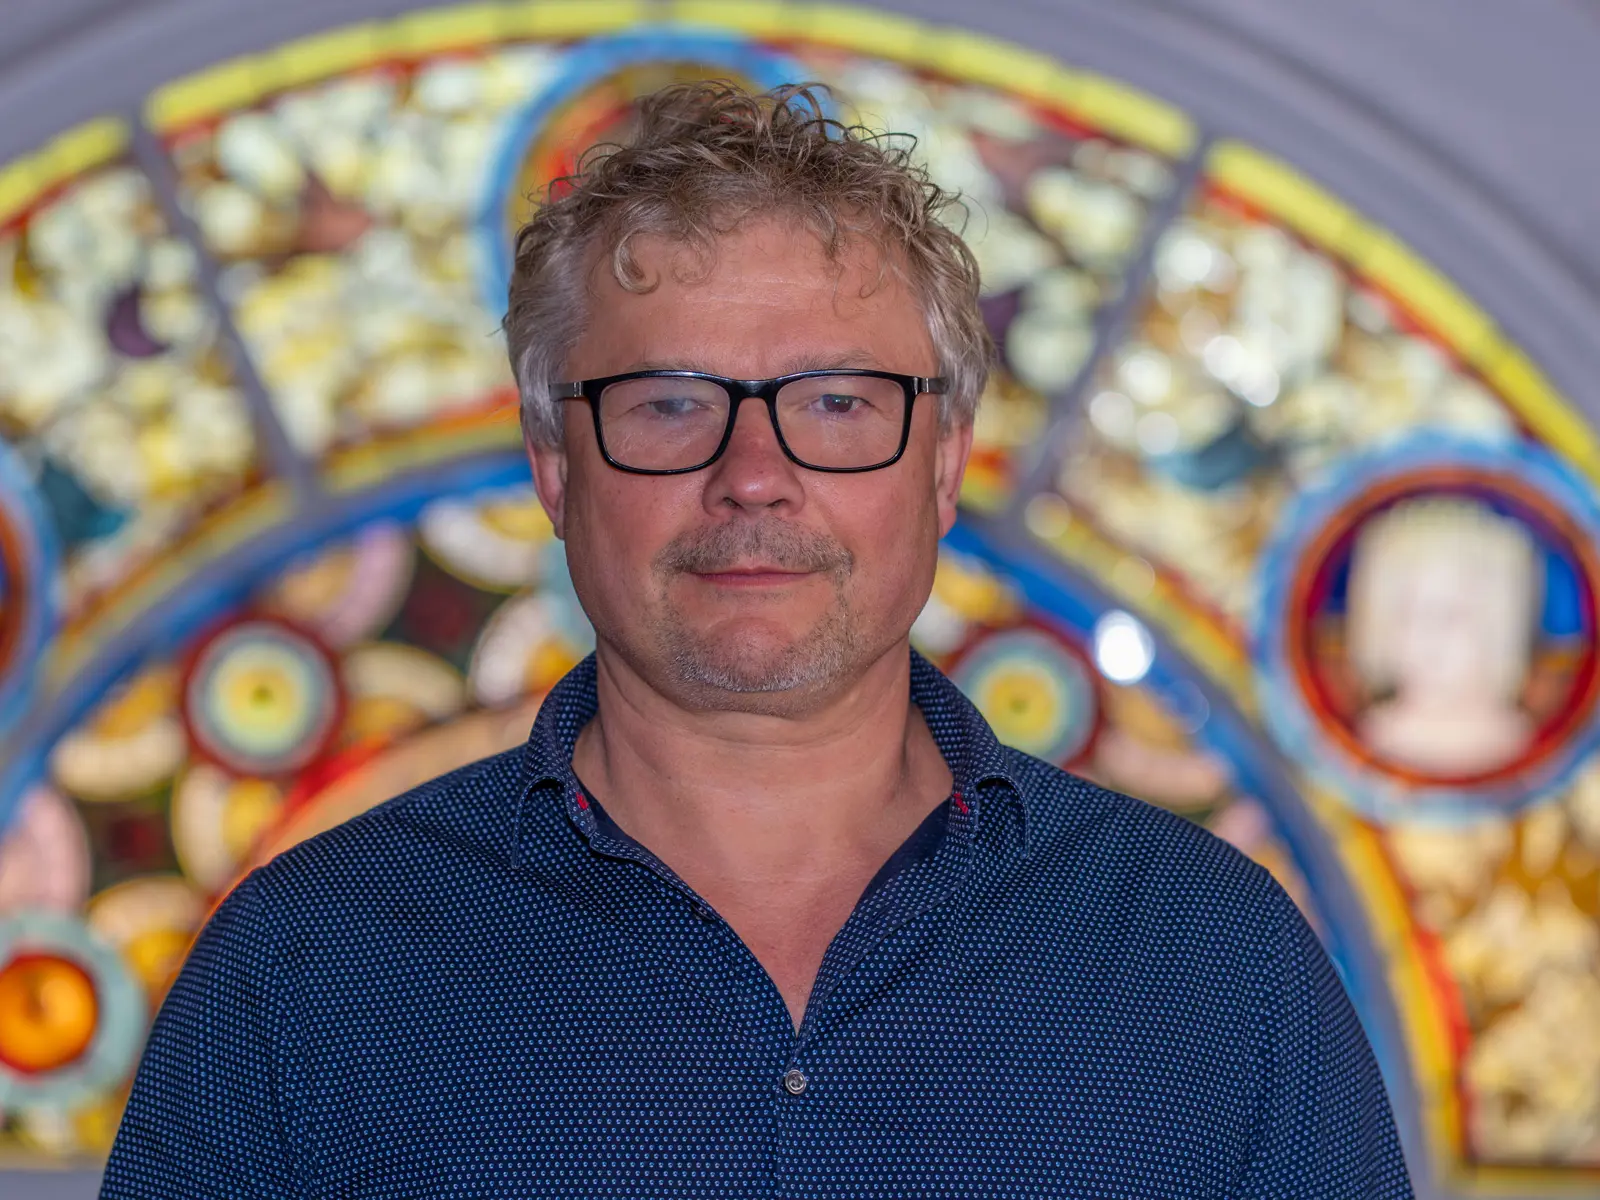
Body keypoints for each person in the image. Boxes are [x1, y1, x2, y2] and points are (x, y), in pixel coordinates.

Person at [101, 82, 1413, 1198]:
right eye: (670, 404)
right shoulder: (303, 965)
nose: (753, 475)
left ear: (943, 466)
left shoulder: (1210, 959)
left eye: (838, 403)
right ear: (556, 467)